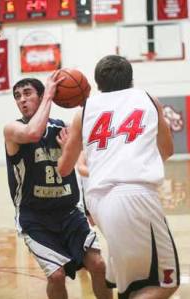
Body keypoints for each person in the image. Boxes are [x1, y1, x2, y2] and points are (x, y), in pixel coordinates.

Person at [57, 55, 180, 299]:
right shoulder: (147, 99)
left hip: (99, 203)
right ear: (131, 78)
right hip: (137, 197)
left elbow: (63, 169)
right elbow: (167, 150)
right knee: (167, 283)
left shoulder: (84, 111)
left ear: (97, 83)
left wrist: (64, 151)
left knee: (131, 284)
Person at [4, 74, 112, 299]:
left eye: (27, 94)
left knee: (99, 265)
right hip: (35, 218)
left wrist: (69, 149)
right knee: (56, 276)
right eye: (17, 96)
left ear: (40, 96)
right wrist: (50, 95)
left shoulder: (64, 128)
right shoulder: (12, 130)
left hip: (69, 214)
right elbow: (33, 133)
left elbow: (81, 165)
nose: (22, 100)